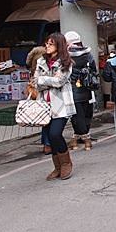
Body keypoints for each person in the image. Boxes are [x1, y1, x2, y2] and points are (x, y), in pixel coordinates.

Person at [34, 33, 76, 180]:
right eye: (46, 43)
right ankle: (57, 167)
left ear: (59, 45)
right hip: (44, 106)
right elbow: (35, 82)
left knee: (55, 134)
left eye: (51, 44)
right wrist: (43, 81)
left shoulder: (66, 62)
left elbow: (59, 81)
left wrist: (42, 80)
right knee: (49, 137)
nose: (47, 46)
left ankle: (66, 163)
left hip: (62, 105)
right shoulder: (41, 61)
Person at [64, 30, 97, 151]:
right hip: (87, 87)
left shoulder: (65, 55)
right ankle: (78, 139)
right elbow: (94, 68)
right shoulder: (87, 53)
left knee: (77, 115)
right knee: (86, 112)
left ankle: (85, 139)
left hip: (72, 88)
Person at [26, 45, 50, 154]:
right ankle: (48, 144)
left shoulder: (34, 56)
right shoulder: (44, 60)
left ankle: (46, 144)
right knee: (48, 120)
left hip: (39, 94)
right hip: (46, 95)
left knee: (45, 121)